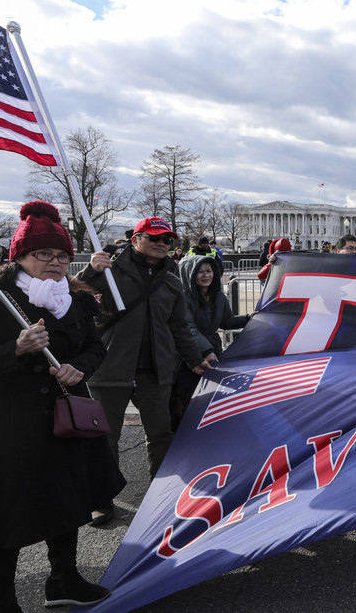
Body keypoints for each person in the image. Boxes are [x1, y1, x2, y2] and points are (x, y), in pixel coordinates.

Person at [0, 200, 125, 611]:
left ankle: (64, 580)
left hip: (66, 422)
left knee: (67, 507)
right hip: (9, 428)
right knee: (5, 521)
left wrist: (78, 368)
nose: (55, 262)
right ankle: (2, 603)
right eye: (43, 253)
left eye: (63, 254)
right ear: (21, 256)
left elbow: (92, 347)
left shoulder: (79, 299)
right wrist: (15, 349)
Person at [77, 216, 211, 525]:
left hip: (156, 370)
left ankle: (162, 496)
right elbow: (79, 300)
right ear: (136, 239)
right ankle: (102, 499)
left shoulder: (172, 280)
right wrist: (91, 272)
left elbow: (179, 328)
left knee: (161, 434)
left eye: (167, 240)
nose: (163, 244)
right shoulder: (109, 270)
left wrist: (194, 358)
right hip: (110, 368)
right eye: (155, 238)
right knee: (105, 438)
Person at [171, 254, 252, 429]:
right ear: (189, 274)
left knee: (209, 400)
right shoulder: (182, 297)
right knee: (186, 401)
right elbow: (188, 328)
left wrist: (249, 318)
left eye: (209, 271)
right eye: (199, 272)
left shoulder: (218, 296)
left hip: (212, 353)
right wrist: (206, 350)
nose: (206, 275)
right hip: (186, 358)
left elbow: (227, 322)